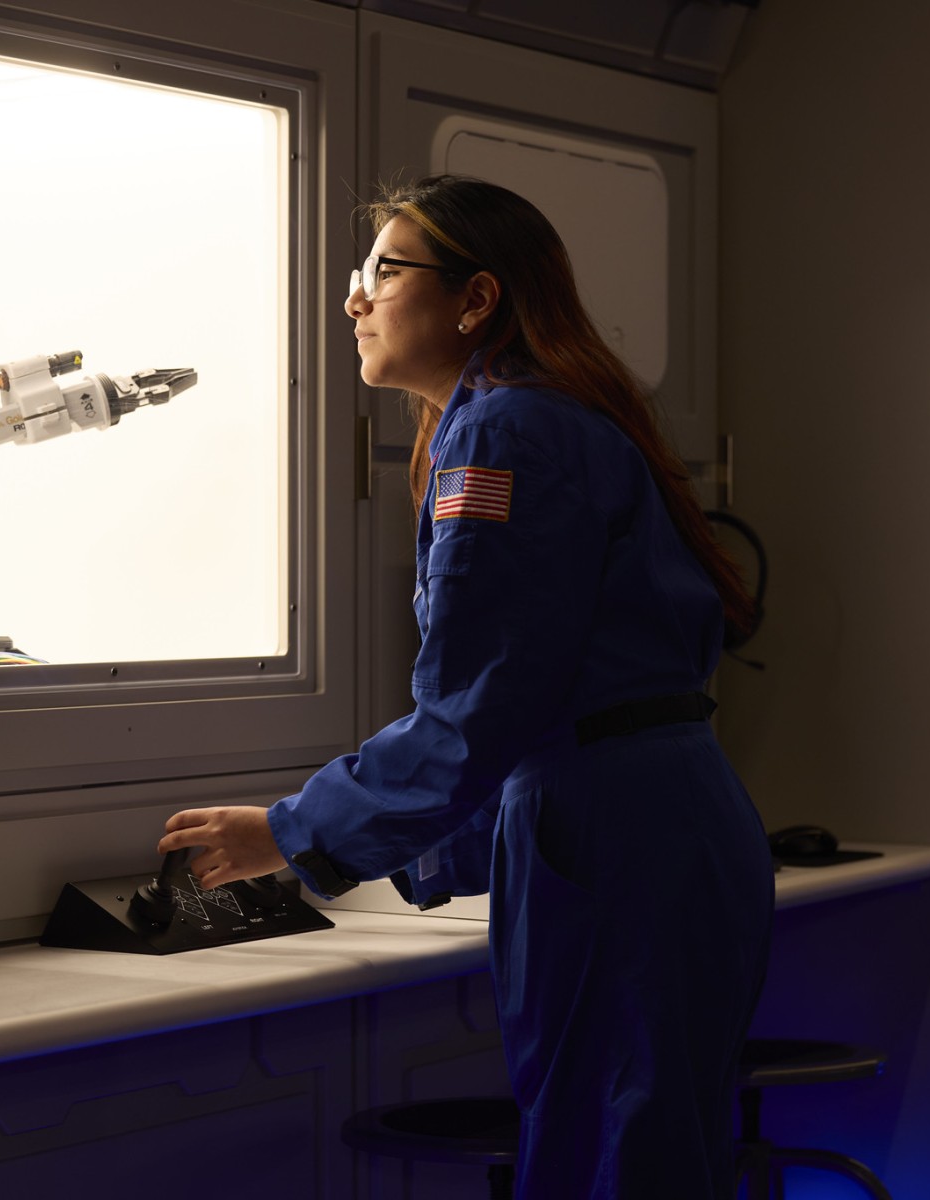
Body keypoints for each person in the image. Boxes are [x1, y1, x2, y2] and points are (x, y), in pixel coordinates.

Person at [158, 174, 774, 1198]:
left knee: (605, 1153)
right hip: (651, 819)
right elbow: (533, 697)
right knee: (648, 1142)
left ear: (475, 300)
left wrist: (292, 831)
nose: (354, 299)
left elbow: (485, 704)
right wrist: (419, 850)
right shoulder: (543, 419)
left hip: (611, 830)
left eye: (382, 273)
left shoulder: (504, 433)